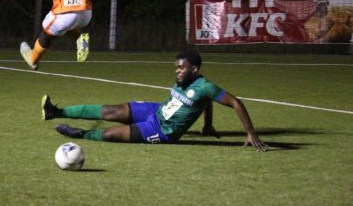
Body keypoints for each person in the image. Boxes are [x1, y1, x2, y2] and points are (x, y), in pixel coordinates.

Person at [42, 50, 267, 151]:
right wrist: (207, 125)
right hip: (157, 110)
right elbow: (205, 103)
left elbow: (236, 102)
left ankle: (79, 134)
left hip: (162, 131)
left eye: (181, 67)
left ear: (195, 68)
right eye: (176, 67)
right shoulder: (187, 83)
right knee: (112, 111)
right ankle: (56, 112)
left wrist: (251, 133)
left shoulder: (205, 86)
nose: (177, 71)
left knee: (111, 135)